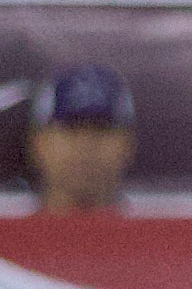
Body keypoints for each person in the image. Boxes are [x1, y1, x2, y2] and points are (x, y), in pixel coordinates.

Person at [27, 63, 134, 214]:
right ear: (38, 142)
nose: (86, 144)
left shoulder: (159, 237)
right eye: (71, 127)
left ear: (128, 143)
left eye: (101, 128)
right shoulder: (0, 237)